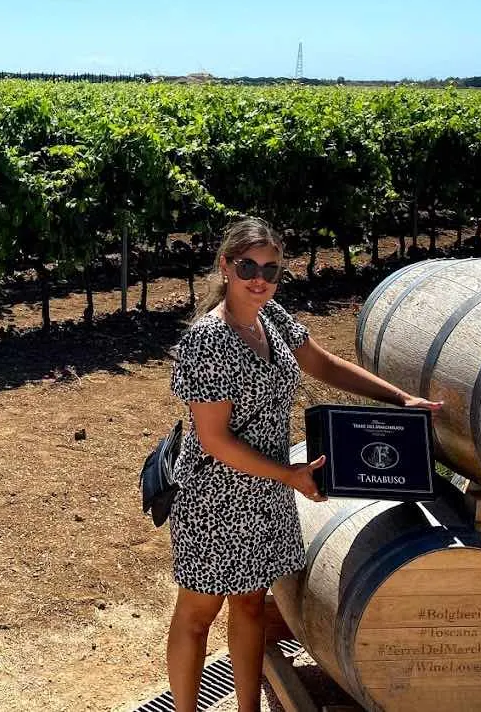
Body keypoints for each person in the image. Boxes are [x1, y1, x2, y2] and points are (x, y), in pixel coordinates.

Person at [165, 217, 440, 712]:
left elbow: (323, 363)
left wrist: (400, 399)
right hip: (214, 497)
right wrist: (290, 475)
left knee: (251, 605)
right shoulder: (208, 340)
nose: (259, 279)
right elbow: (214, 440)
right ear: (226, 266)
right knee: (198, 613)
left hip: (265, 491)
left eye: (270, 270)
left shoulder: (270, 317)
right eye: (248, 267)